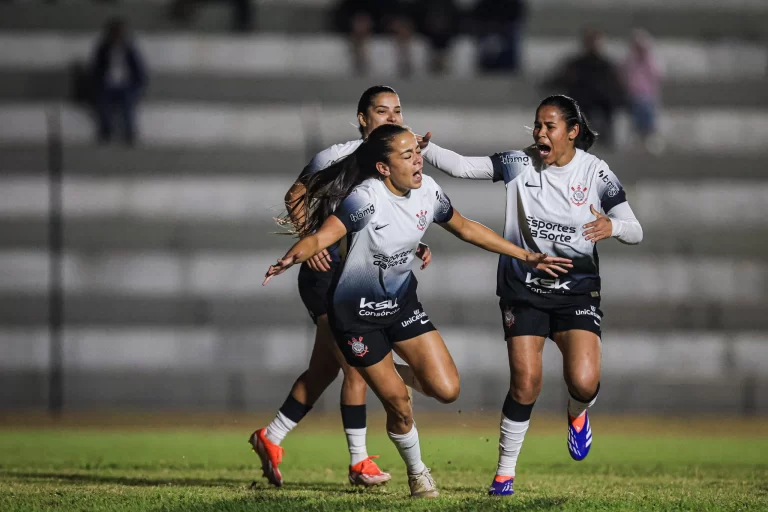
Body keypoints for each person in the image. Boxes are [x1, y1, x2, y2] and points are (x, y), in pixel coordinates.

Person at [263, 123, 572, 498]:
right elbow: (324, 235)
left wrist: (525, 255)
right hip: (357, 317)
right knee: (399, 404)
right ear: (383, 168)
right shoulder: (365, 199)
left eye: (417, 152)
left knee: (447, 389)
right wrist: (291, 258)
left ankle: (383, 371)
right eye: (406, 155)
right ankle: (418, 473)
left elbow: (465, 228)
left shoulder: (428, 191)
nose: (417, 160)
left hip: (401, 305)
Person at [419, 95, 643, 496]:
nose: (540, 133)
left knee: (585, 382)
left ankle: (577, 413)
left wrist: (614, 227)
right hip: (523, 288)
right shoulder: (519, 163)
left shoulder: (595, 172)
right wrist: (424, 147)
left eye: (549, 126)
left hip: (576, 292)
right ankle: (504, 474)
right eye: (537, 125)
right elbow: (463, 166)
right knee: (526, 383)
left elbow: (635, 227)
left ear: (572, 132)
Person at [250, 86, 432, 489]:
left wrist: (412, 240)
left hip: (356, 274)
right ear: (363, 119)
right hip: (326, 274)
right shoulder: (338, 156)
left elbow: (379, 218)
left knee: (325, 368)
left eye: (397, 110)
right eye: (382, 111)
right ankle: (359, 461)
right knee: (355, 365)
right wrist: (312, 238)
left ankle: (271, 436)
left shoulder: (394, 162)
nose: (391, 117)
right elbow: (295, 195)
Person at [543, 29, 623, 148]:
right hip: (581, 99)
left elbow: (616, 84)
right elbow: (561, 78)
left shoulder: (606, 64)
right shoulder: (576, 63)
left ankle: (606, 137)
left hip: (603, 100)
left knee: (608, 110)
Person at [91, 18, 147, 146]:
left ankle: (130, 134)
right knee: (103, 105)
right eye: (115, 33)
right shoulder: (103, 50)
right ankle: (106, 132)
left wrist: (137, 86)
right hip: (107, 85)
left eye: (120, 33)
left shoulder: (130, 50)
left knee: (128, 105)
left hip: (126, 86)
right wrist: (97, 84)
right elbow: (96, 69)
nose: (118, 36)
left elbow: (139, 70)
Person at [623, 29, 663, 154]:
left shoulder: (651, 60)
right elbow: (625, 77)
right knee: (636, 114)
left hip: (647, 96)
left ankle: (650, 138)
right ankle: (638, 138)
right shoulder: (629, 61)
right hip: (633, 97)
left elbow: (657, 74)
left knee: (646, 110)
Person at [472, 0, 527, 75]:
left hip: (506, 27)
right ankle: (487, 63)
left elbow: (517, 12)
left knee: (509, 40)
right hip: (488, 28)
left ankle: (507, 64)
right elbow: (478, 13)